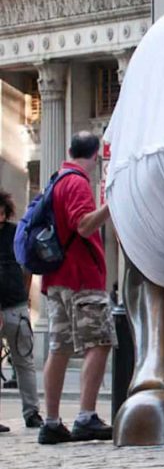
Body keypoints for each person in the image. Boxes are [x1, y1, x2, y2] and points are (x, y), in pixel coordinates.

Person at [37, 131, 115, 444]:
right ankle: (86, 416)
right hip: (82, 278)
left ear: (69, 149)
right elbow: (84, 224)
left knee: (59, 348)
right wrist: (111, 206)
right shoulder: (77, 182)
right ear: (95, 157)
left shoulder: (56, 179)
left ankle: (52, 422)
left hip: (57, 279)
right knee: (100, 341)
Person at [0, 190, 42, 429]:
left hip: (16, 306)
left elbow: (26, 266)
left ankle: (32, 412)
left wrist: (24, 297)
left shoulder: (15, 233)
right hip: (14, 305)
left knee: (24, 362)